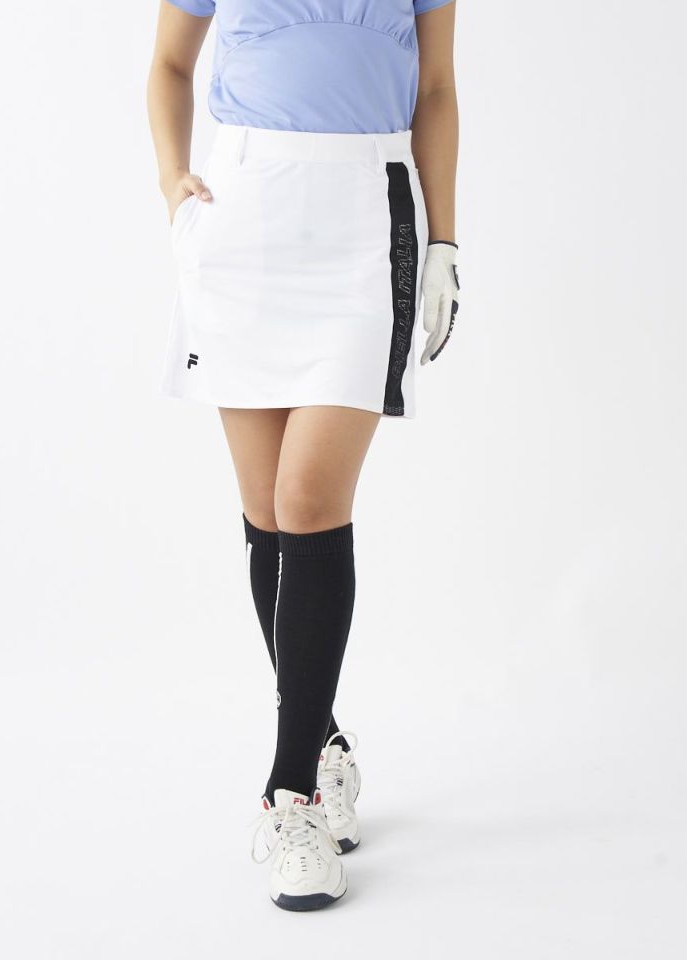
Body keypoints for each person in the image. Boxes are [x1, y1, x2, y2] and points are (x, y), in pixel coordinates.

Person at [147, 0, 459, 911]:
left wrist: (444, 240)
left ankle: (294, 800)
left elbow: (437, 88)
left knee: (311, 499)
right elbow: (169, 65)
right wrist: (172, 180)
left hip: (367, 217)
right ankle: (323, 744)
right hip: (243, 218)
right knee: (267, 512)